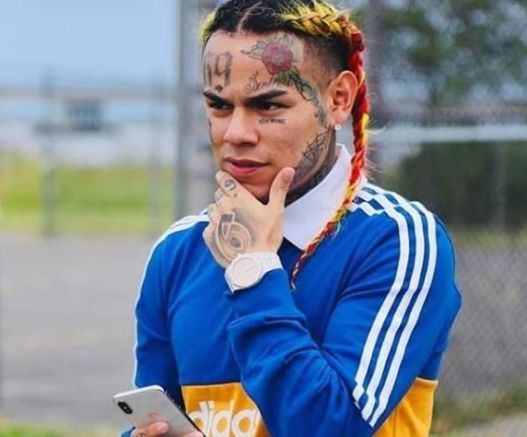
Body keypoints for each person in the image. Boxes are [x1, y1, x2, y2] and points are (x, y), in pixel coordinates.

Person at [125, 1, 461, 436]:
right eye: (219, 106)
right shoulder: (178, 251)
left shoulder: (397, 239)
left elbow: (332, 427)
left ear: (338, 100)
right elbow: (154, 420)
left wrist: (254, 271)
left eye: (268, 105)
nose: (236, 133)